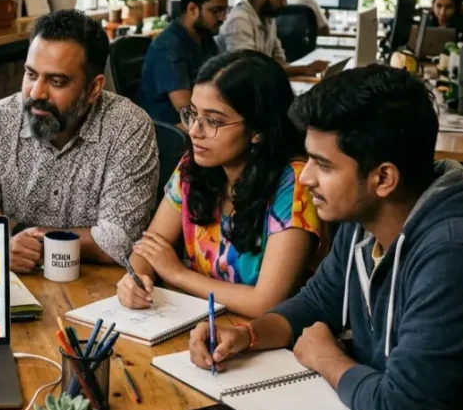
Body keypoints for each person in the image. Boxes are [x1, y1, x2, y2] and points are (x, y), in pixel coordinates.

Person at [187, 65, 463, 410]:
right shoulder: (364, 221)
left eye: (324, 165)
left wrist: (326, 358)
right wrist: (246, 335)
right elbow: (315, 303)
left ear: (383, 179)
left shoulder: (458, 255)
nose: (306, 178)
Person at [0, 9, 158, 273]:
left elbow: (120, 240)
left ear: (94, 88)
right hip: (18, 283)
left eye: (57, 81)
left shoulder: (128, 127)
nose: (36, 93)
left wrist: (40, 240)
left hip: (99, 289)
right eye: (31, 75)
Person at [118, 51, 325, 318]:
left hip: (266, 343)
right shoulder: (193, 165)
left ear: (258, 130)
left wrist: (177, 274)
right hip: (198, 324)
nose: (194, 131)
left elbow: (265, 303)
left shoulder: (294, 183)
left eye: (213, 121)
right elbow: (151, 247)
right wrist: (135, 278)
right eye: (192, 114)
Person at [136, 0, 232, 124]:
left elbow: (220, 82)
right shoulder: (169, 45)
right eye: (216, 11)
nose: (222, 18)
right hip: (169, 131)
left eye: (225, 11)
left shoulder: (205, 37)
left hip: (194, 122)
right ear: (192, 9)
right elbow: (185, 109)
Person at [217, 0, 329, 77]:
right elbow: (249, 70)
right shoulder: (239, 20)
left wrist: (304, 69)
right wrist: (304, 69)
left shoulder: (269, 19)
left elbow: (280, 63)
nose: (285, 4)